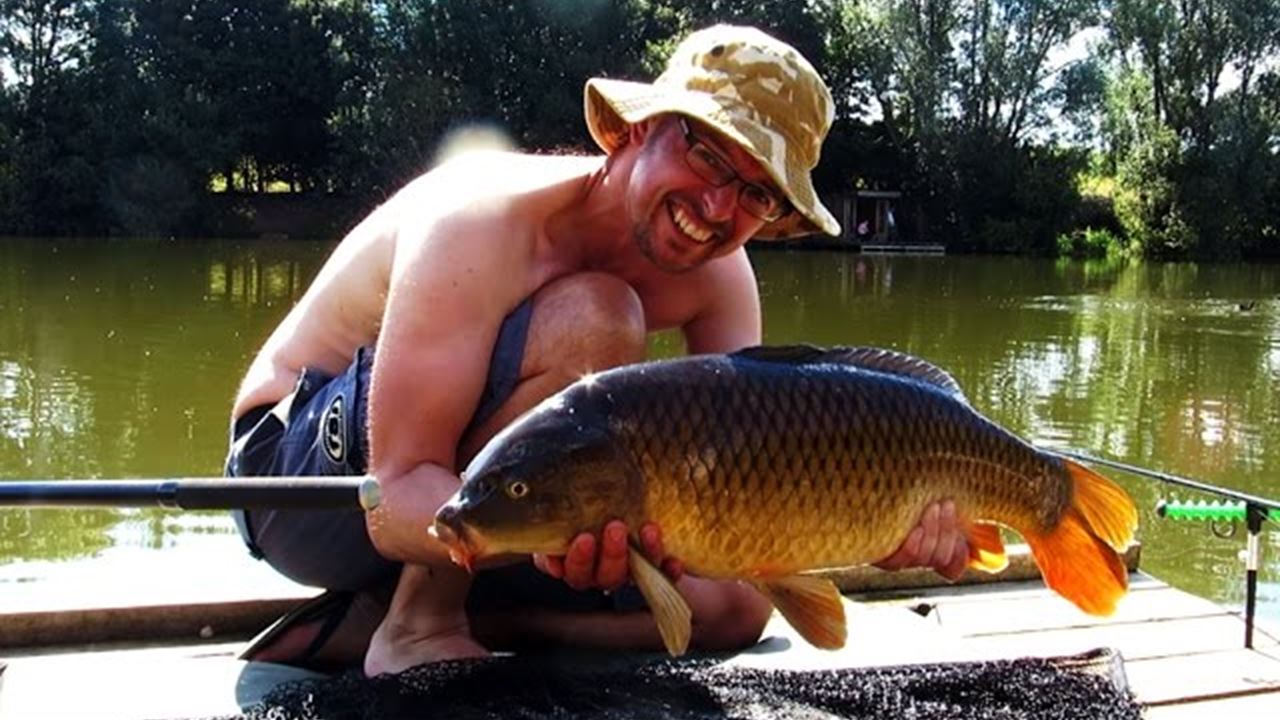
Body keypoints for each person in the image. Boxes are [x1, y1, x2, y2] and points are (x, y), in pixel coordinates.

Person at [225, 24, 970, 677]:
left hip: (491, 507)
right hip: (300, 483)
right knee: (600, 317)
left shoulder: (721, 278)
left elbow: (752, 467)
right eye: (708, 155)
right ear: (639, 129)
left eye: (757, 193)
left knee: (736, 606)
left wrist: (879, 519)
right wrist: (561, 530)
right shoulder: (482, 221)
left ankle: (445, 623)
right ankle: (420, 623)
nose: (718, 208)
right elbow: (396, 496)